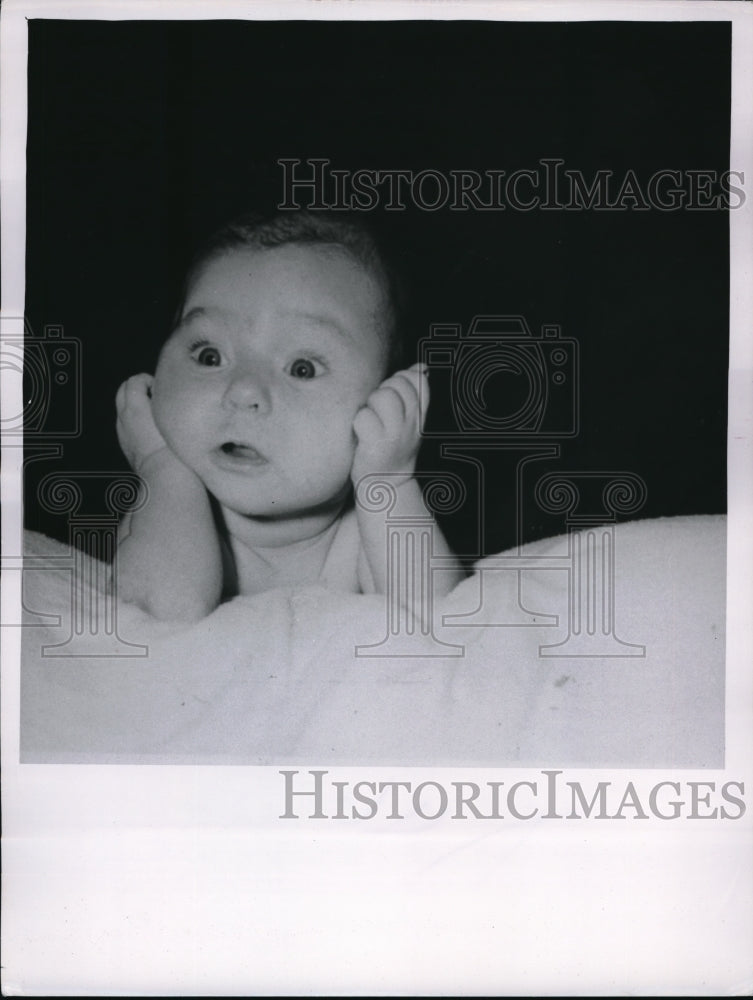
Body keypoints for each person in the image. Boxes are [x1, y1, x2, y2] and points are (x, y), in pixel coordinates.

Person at [114, 211, 463, 620]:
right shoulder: (167, 509)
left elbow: (439, 623)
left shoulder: (363, 533)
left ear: (383, 403)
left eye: (303, 368)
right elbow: (156, 615)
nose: (243, 390)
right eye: (209, 356)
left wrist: (387, 483)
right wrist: (162, 466)